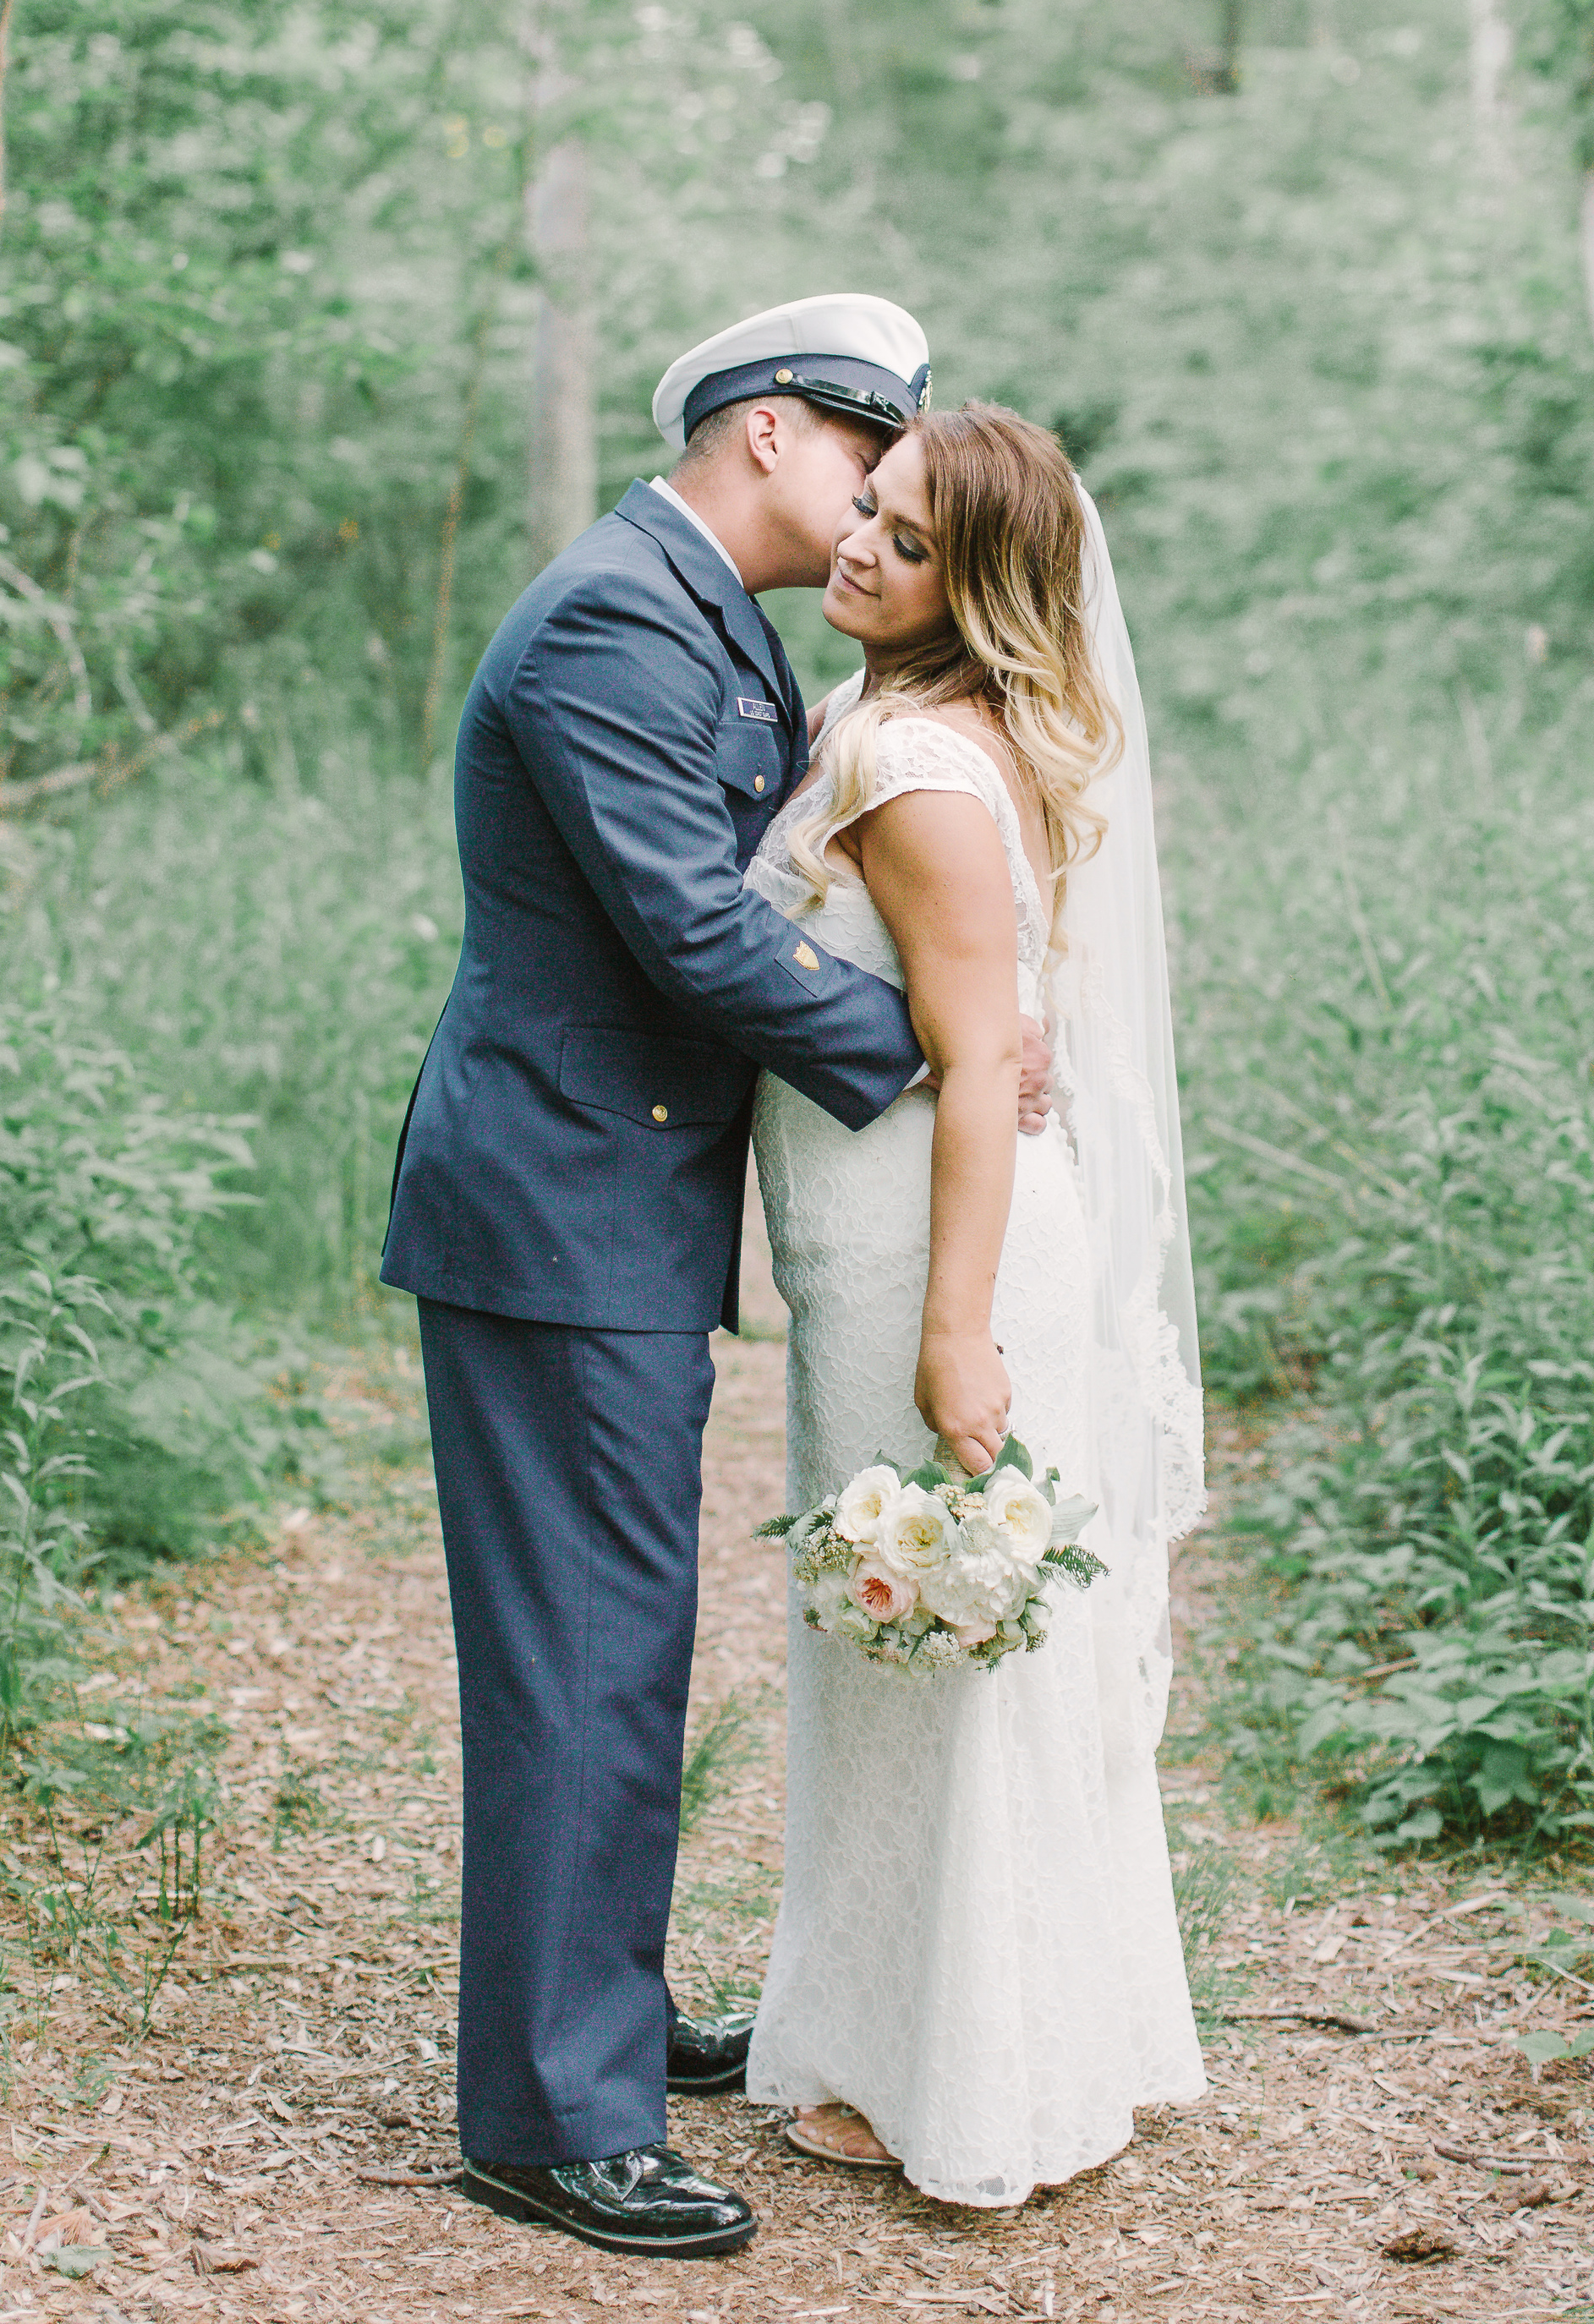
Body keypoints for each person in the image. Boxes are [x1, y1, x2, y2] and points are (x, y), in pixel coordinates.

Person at [378, 297, 1051, 2264]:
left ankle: (595, 2012)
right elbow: (685, 925)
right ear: (771, 431)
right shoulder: (611, 617)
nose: (869, 511)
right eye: (868, 464)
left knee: (618, 1636)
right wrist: (933, 1045)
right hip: (558, 1207)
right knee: (583, 1650)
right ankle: (549, 2118)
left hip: (610, 1202)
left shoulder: (701, 621)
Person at [743, 401, 1208, 2206]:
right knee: (915, 1643)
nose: (861, 544)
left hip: (929, 1246)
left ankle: (962, 2070)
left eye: (913, 539)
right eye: (869, 507)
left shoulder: (921, 774)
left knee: (929, 1642)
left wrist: (956, 1336)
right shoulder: (891, 720)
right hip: (899, 1227)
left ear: (985, 586)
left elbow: (975, 1073)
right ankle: (958, 2028)